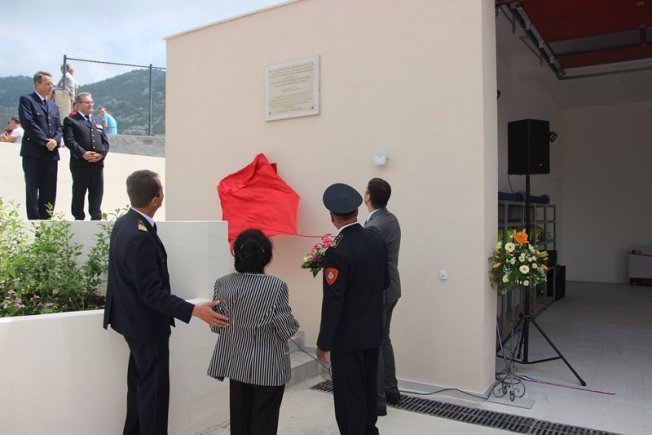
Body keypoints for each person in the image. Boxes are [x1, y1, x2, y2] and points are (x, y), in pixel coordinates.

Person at [103, 169, 229, 435]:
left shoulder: (124, 223)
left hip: (129, 321)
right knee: (154, 396)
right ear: (156, 199)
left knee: (139, 387)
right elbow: (151, 292)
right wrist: (195, 311)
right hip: (146, 327)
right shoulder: (139, 235)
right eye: (161, 191)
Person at [207, 228, 299, 435]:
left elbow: (216, 325)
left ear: (237, 255)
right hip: (269, 368)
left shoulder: (223, 283)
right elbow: (285, 330)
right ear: (266, 256)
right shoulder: (276, 286)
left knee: (240, 423)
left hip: (237, 365)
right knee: (264, 424)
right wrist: (293, 325)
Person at [316, 183, 389, 435]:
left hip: (347, 339)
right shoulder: (377, 242)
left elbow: (333, 302)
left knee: (349, 397)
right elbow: (384, 283)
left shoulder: (337, 251)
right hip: (373, 331)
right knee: (368, 390)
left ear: (332, 217)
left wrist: (324, 342)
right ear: (357, 212)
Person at [363, 178, 402, 415]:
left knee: (376, 343)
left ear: (368, 197)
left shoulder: (375, 226)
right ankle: (391, 389)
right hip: (392, 288)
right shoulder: (390, 219)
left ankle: (378, 399)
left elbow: (367, 259)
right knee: (384, 340)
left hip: (380, 291)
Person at [18, 71, 63, 219]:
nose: (51, 87)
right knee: (32, 188)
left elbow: (59, 127)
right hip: (34, 152)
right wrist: (45, 141)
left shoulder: (53, 106)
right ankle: (34, 221)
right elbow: (28, 123)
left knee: (49, 189)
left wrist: (55, 141)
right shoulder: (27, 100)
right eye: (47, 84)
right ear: (38, 83)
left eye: (51, 84)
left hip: (51, 154)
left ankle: (46, 220)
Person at [63, 92, 110, 220]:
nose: (91, 105)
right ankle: (78, 218)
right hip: (80, 164)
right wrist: (83, 153)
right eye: (87, 102)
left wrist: (101, 154)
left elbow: (105, 142)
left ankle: (96, 218)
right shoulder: (71, 120)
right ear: (78, 104)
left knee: (97, 193)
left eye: (91, 102)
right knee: (79, 193)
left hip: (97, 165)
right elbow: (69, 140)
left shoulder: (97, 121)